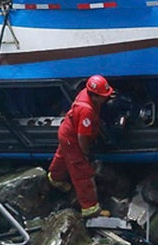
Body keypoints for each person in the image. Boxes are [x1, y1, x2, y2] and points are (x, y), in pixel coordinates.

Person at [47, 75, 114, 217]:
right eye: (104, 96)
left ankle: (55, 178)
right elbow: (82, 136)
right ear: (95, 96)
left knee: (63, 156)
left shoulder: (85, 93)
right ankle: (90, 208)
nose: (106, 99)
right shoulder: (87, 110)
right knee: (82, 173)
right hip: (73, 139)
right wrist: (85, 153)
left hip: (66, 133)